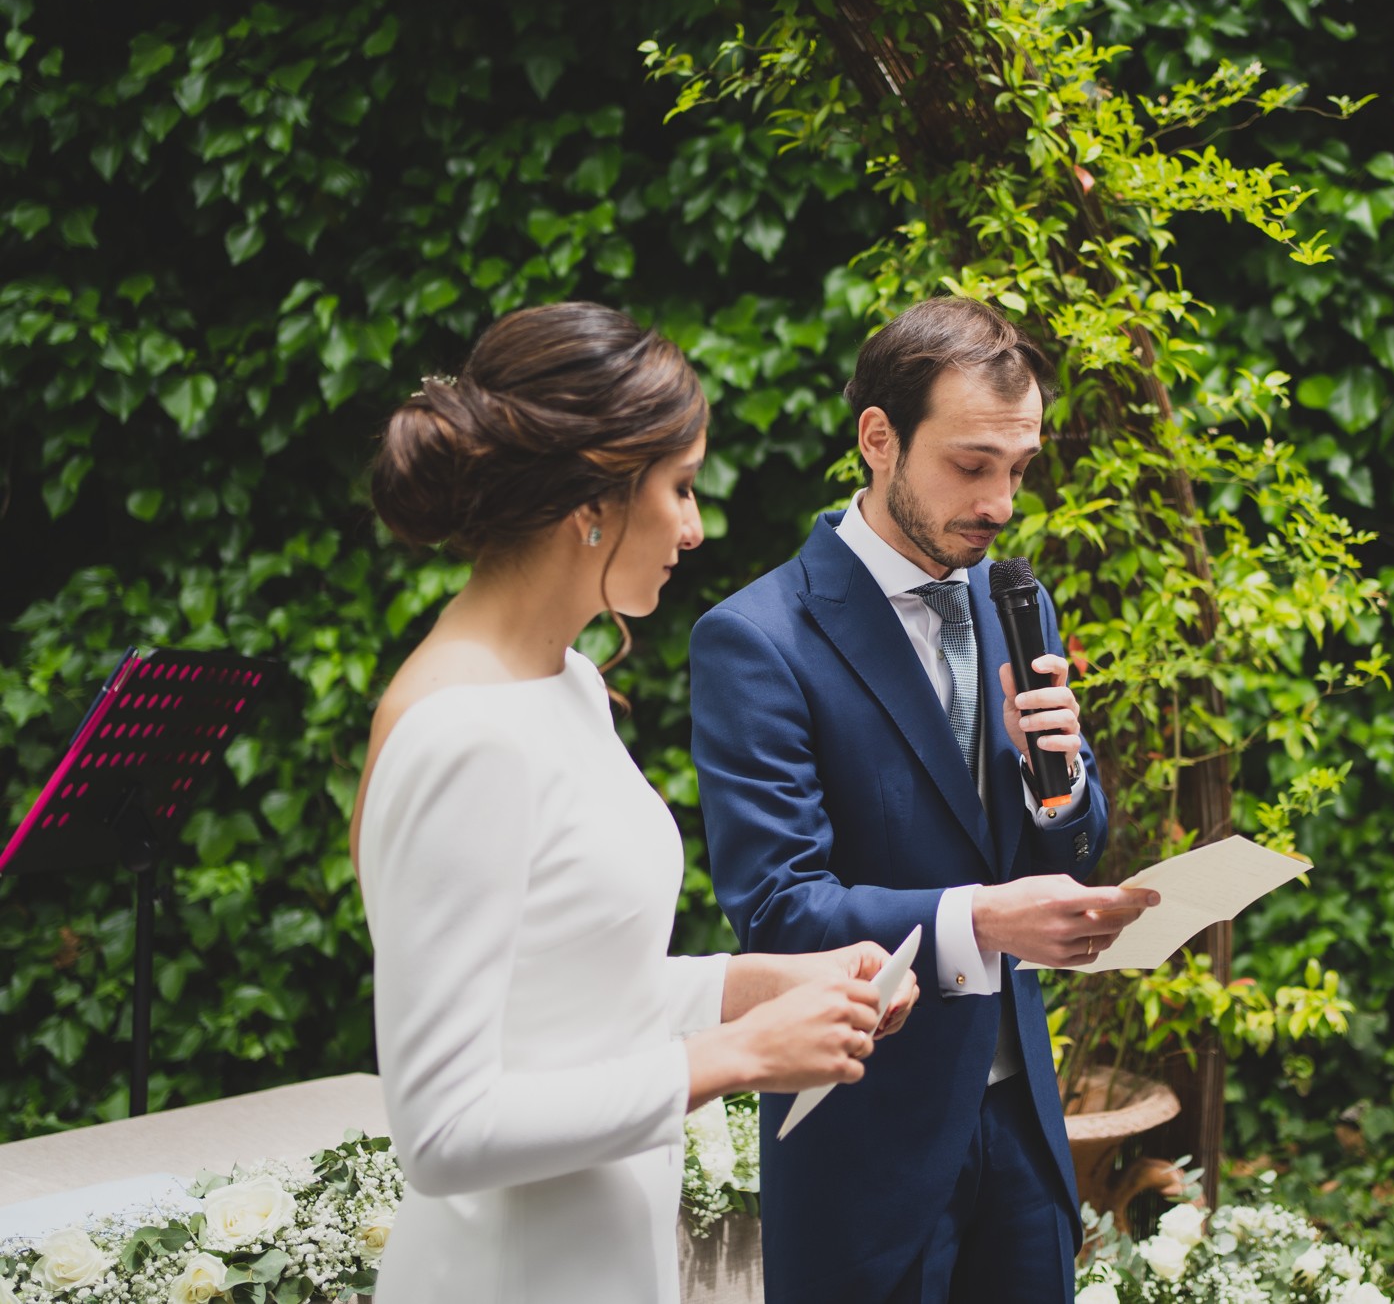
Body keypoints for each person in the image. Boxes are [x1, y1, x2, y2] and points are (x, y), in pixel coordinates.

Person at [350, 301, 919, 1304]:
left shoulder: (564, 682)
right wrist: (733, 1056)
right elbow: (440, 1130)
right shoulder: (462, 731)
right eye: (681, 486)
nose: (695, 527)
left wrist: (764, 984)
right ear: (591, 502)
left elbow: (571, 996)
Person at [689, 296, 1158, 1304]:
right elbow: (777, 907)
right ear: (877, 439)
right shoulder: (756, 638)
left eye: (1018, 468)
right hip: (865, 1135)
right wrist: (985, 918)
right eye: (970, 464)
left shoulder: (1005, 596)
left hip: (1023, 1129)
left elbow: (1063, 846)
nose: (999, 501)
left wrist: (1063, 785)